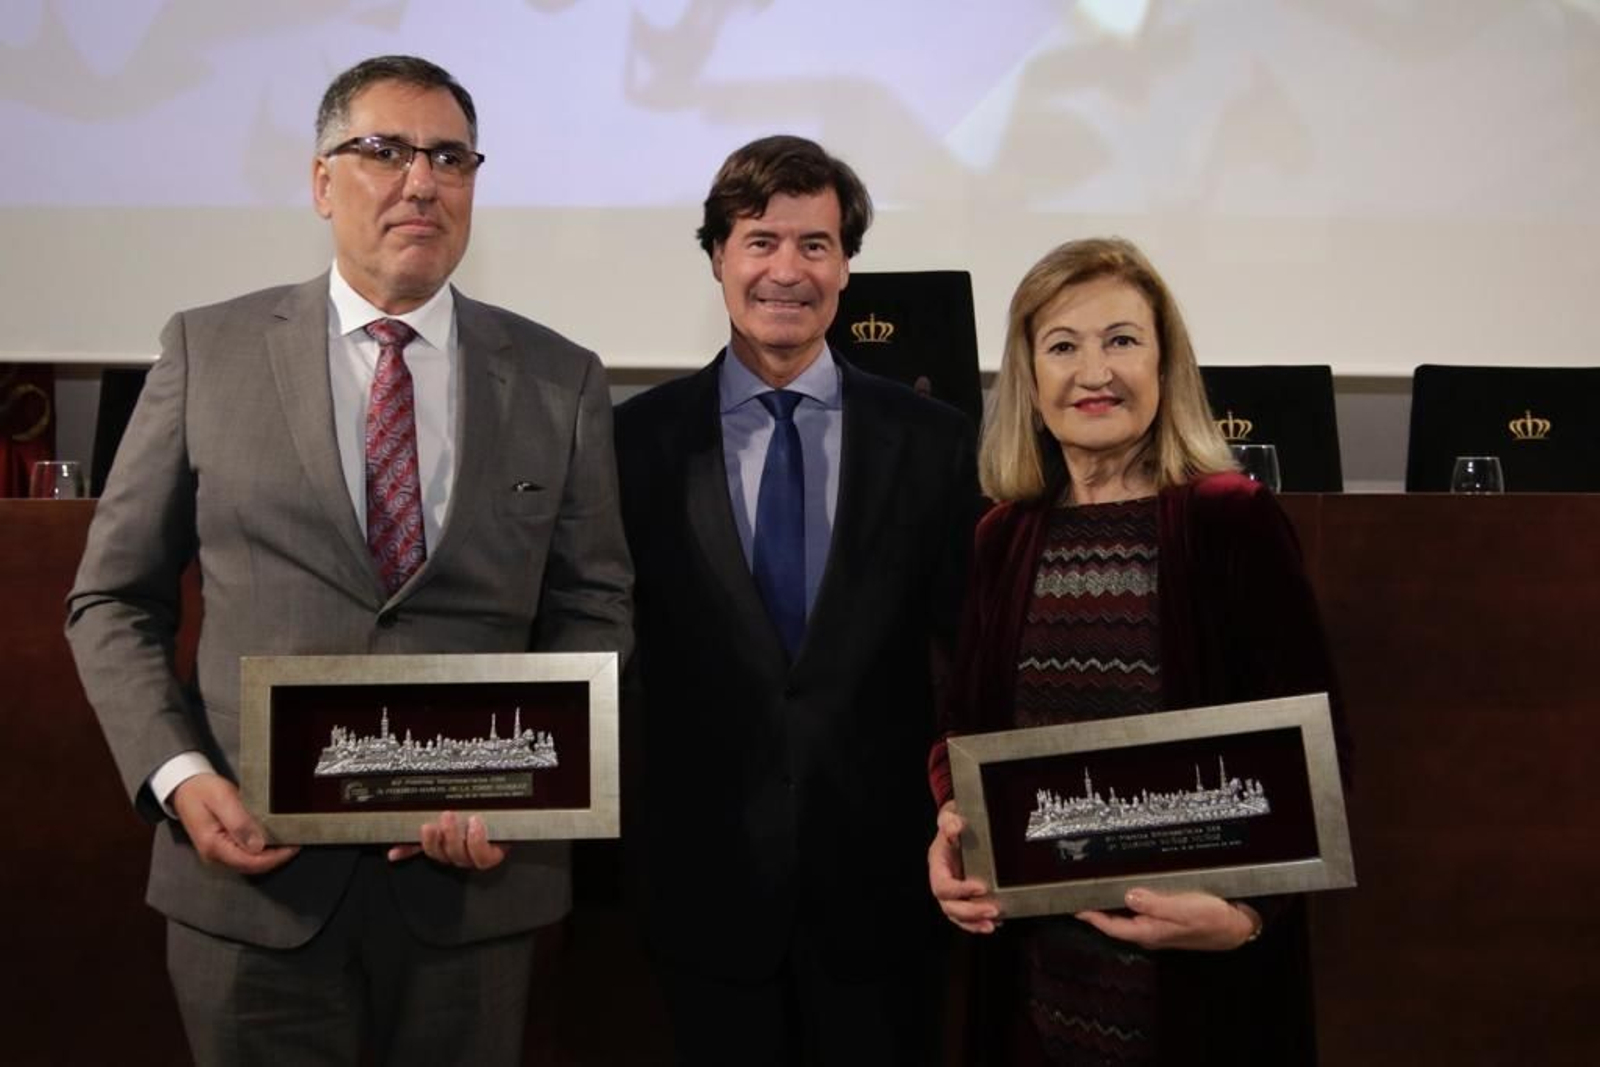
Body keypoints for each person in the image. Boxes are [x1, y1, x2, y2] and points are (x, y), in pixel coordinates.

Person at [65, 55, 632, 1066]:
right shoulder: (207, 351)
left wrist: (522, 788)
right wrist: (181, 774)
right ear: (323, 181)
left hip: (473, 897)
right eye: (384, 150)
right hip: (248, 885)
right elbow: (111, 597)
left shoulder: (559, 377)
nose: (421, 180)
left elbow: (595, 611)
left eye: (450, 157)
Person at [927, 237, 1344, 1065]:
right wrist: (949, 826)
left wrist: (1248, 916)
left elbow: (1318, 750)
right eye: (1063, 345)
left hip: (1196, 977)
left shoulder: (1232, 520)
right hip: (1038, 977)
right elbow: (961, 728)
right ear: (1028, 376)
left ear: (1165, 361)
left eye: (1122, 339)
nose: (1095, 371)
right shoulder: (1004, 535)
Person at [614, 135, 978, 1066]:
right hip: (701, 897)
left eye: (815, 244)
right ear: (717, 258)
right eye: (761, 240)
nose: (788, 269)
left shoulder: (937, 443)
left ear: (848, 265)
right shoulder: (630, 444)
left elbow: (969, 657)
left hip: (887, 901)